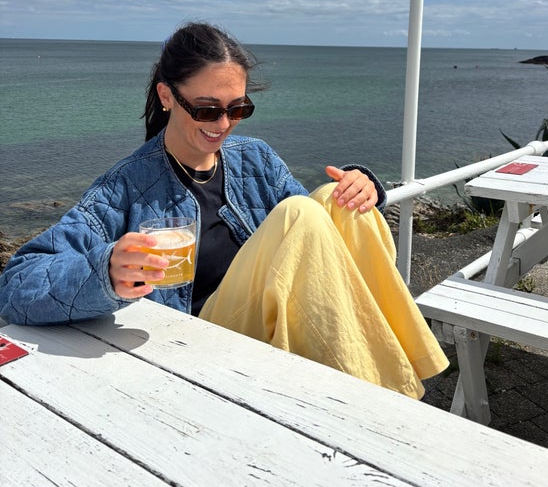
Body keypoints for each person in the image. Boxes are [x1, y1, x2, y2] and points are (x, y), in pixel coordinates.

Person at [0, 21, 448, 398]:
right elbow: (16, 283)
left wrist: (361, 188)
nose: (222, 124)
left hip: (266, 321)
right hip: (199, 337)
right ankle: (386, 394)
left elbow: (319, 241)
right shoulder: (126, 187)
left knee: (334, 202)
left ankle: (396, 373)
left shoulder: (256, 159)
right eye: (206, 110)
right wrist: (107, 269)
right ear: (166, 96)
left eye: (238, 109)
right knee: (300, 212)